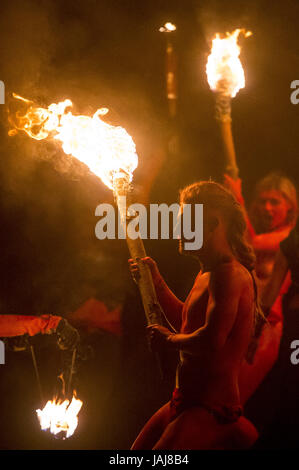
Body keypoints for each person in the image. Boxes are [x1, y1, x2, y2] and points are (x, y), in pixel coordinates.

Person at [128, 181, 260, 450]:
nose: (177, 230)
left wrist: (167, 341)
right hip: (184, 400)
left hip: (209, 408)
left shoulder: (228, 275)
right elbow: (186, 324)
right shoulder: (207, 273)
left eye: (186, 222)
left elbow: (211, 341)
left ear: (212, 224)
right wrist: (156, 283)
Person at [224, 172, 297, 403]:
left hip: (266, 326)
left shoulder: (288, 238)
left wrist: (237, 197)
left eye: (275, 202)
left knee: (233, 397)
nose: (267, 207)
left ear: (290, 206)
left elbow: (249, 243)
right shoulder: (265, 235)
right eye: (263, 201)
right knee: (218, 391)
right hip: (242, 318)